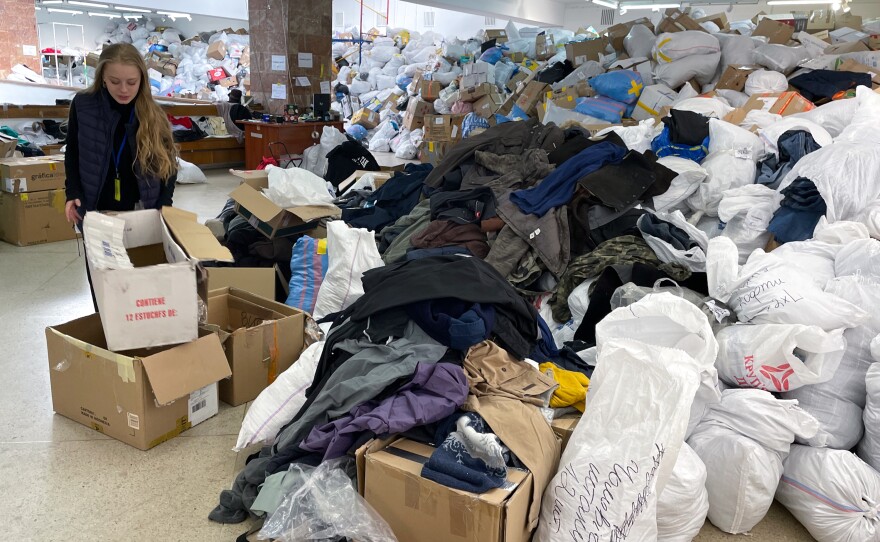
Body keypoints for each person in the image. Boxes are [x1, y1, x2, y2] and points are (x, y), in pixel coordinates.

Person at [64, 43, 178, 309]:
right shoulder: (83, 105)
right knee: (105, 289)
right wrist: (73, 193)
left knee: (139, 290)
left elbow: (169, 165)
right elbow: (73, 153)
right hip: (96, 211)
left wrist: (165, 202)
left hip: (141, 212)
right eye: (115, 81)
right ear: (102, 76)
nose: (124, 89)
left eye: (131, 82)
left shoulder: (153, 113)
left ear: (142, 79)